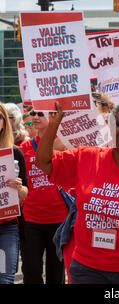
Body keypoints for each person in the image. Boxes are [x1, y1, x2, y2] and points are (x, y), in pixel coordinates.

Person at [35, 100, 119, 284]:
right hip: (88, 268)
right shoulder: (87, 157)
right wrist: (54, 125)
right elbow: (43, 163)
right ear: (111, 129)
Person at [20, 110, 68, 284]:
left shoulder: (64, 145)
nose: (35, 117)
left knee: (56, 274)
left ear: (53, 116)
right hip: (31, 219)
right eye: (33, 113)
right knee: (31, 272)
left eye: (41, 113)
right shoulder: (24, 149)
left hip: (60, 219)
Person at [0, 102, 28, 284]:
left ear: (4, 122)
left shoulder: (14, 152)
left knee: (4, 278)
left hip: (6, 227)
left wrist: (19, 189)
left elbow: (25, 192)